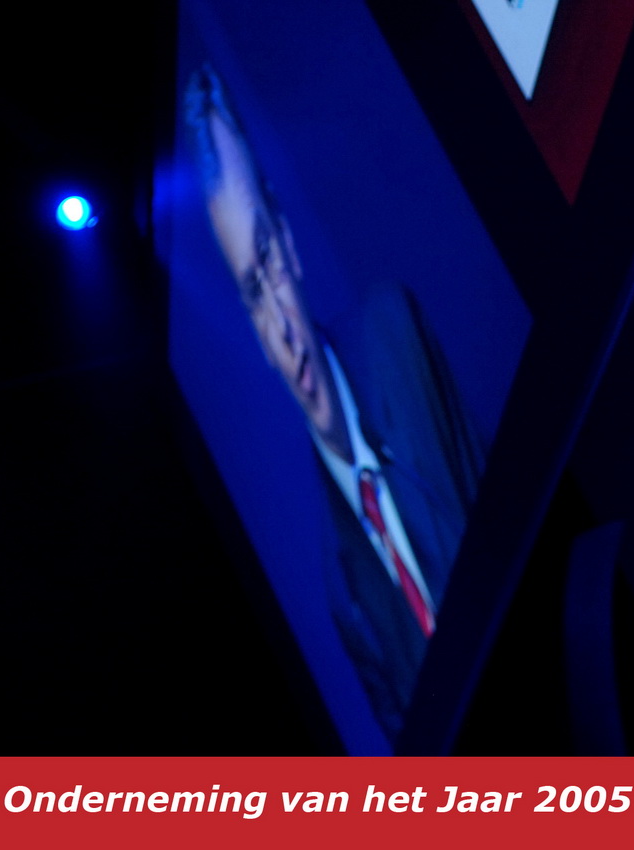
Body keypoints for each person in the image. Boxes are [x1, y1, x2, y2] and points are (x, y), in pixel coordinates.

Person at [183, 64, 485, 740]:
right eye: (251, 296)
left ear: (290, 245)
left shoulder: (393, 331)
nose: (283, 330)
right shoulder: (338, 589)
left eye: (268, 259)